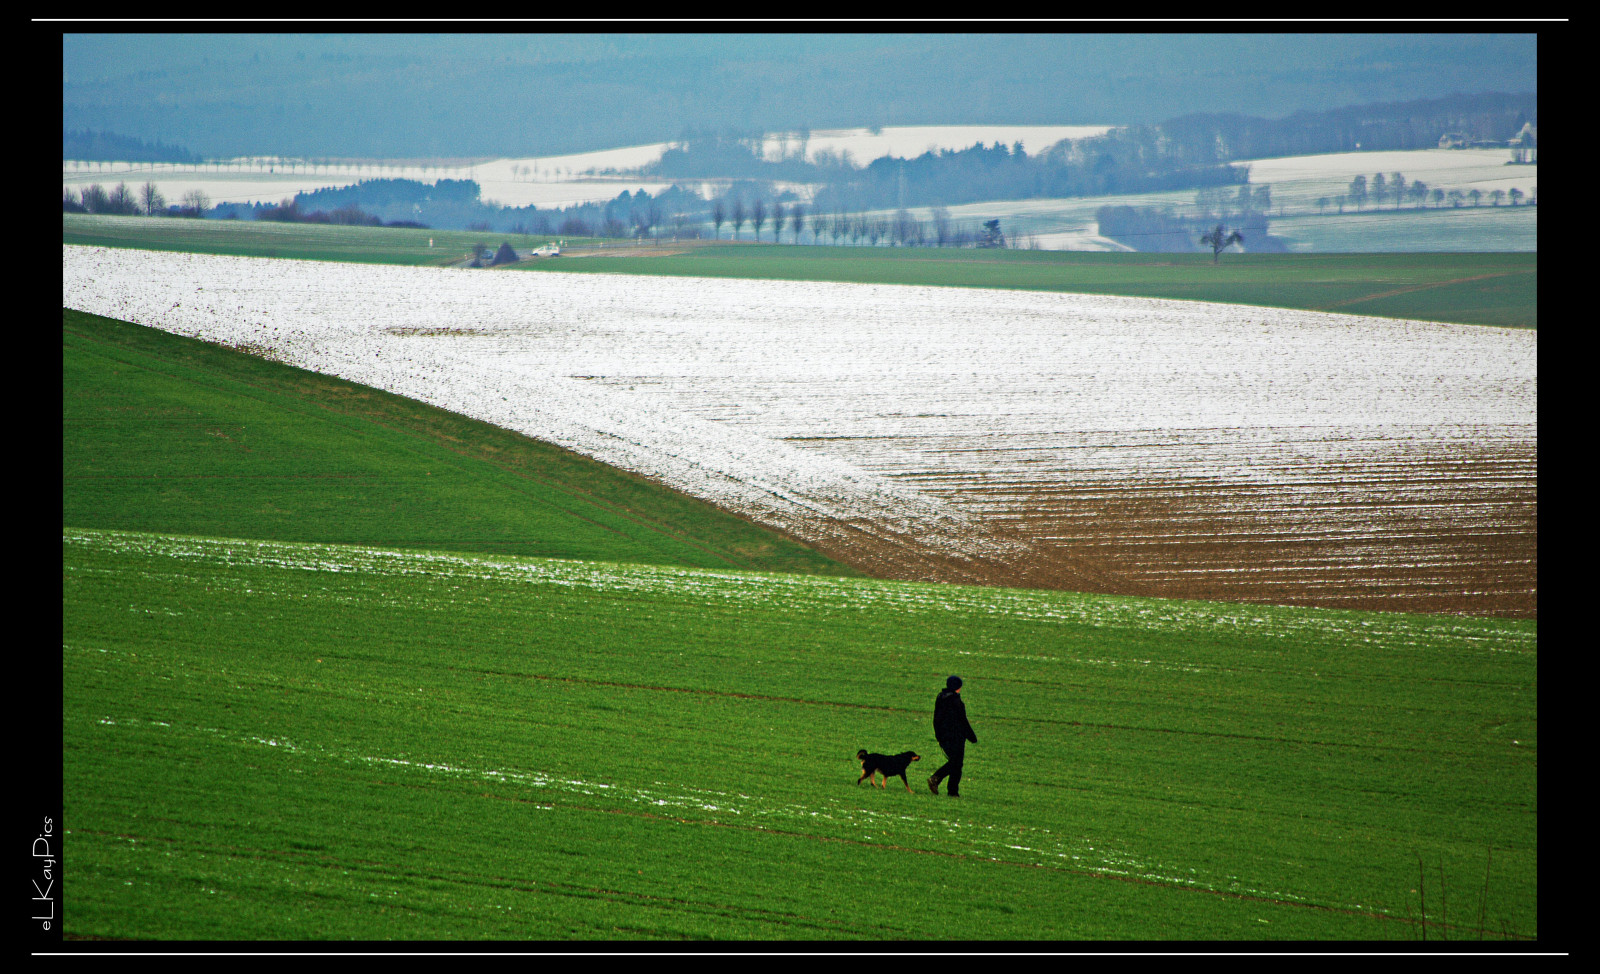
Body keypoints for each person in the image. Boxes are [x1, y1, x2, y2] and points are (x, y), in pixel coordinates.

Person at [927, 675, 977, 797]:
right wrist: (971, 736)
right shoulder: (956, 702)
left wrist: (938, 735)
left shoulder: (941, 697)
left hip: (943, 736)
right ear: (957, 687)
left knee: (956, 763)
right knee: (956, 763)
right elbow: (962, 721)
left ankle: (953, 792)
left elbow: (937, 718)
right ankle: (937, 778)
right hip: (956, 737)